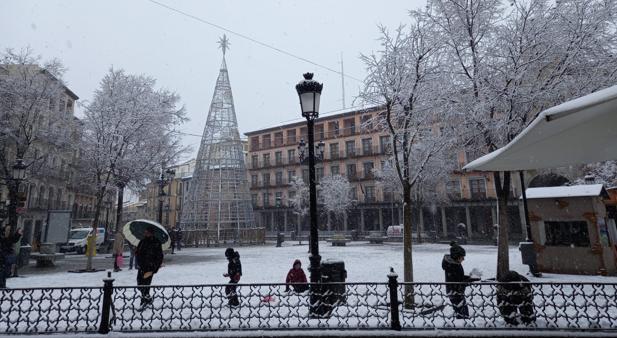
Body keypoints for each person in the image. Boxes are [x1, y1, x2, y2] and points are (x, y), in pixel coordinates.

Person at [442, 241, 479, 319]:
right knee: (462, 314)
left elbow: (459, 277)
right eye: (462, 257)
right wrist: (469, 280)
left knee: (462, 312)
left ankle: (462, 326)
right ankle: (461, 328)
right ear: (457, 256)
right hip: (454, 292)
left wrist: (470, 278)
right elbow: (457, 281)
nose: (464, 259)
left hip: (457, 292)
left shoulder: (455, 264)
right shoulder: (452, 266)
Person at [135, 226, 163, 306]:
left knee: (146, 284)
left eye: (147, 232)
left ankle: (145, 299)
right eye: (145, 232)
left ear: (151, 233)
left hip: (150, 268)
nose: (145, 233)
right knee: (139, 284)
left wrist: (155, 267)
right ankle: (147, 298)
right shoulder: (142, 241)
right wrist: (137, 255)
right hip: (142, 266)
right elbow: (138, 252)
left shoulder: (156, 242)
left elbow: (160, 256)